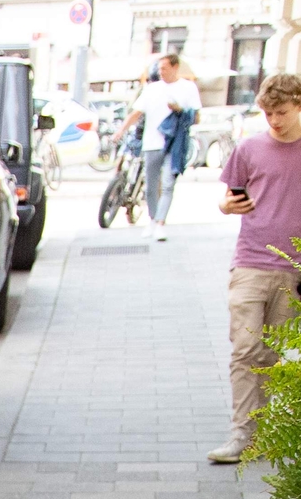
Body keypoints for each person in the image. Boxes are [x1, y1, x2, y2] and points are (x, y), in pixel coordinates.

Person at [214, 73, 301, 463]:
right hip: (250, 261)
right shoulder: (250, 149)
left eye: (281, 112)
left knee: (274, 355)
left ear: (298, 104)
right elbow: (230, 199)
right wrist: (225, 206)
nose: (274, 121)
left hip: (294, 267)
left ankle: (268, 430)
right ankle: (242, 435)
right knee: (246, 349)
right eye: (267, 113)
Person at [124, 55, 204, 238]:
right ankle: (152, 219)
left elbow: (197, 117)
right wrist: (121, 131)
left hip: (175, 143)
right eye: (159, 69)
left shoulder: (188, 88)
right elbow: (137, 112)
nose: (161, 72)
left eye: (165, 68)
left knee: (168, 184)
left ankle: (160, 223)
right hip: (151, 142)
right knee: (151, 185)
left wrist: (180, 110)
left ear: (176, 67)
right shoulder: (152, 89)